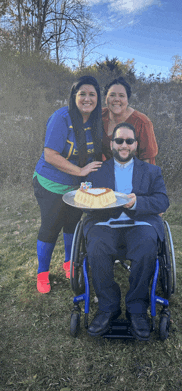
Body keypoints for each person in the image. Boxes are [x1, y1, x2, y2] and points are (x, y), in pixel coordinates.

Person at [83, 122, 169, 341]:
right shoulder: (96, 170)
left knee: (147, 244)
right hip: (105, 224)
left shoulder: (151, 171)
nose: (124, 145)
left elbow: (162, 201)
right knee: (96, 245)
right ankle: (108, 308)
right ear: (111, 144)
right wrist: (89, 196)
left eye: (129, 141)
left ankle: (136, 309)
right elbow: (84, 198)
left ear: (135, 144)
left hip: (139, 224)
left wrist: (137, 202)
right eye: (119, 140)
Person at [33, 76, 103, 294]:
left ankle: (68, 263)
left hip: (77, 186)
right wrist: (80, 171)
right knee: (51, 225)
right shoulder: (61, 117)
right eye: (82, 93)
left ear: (98, 98)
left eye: (92, 94)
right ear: (74, 96)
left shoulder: (96, 120)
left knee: (73, 224)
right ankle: (42, 273)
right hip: (50, 182)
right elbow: (50, 154)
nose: (87, 98)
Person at [102, 76, 158, 164]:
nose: (116, 99)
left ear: (127, 100)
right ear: (106, 98)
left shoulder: (142, 122)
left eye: (121, 96)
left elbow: (148, 161)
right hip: (108, 172)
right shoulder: (100, 115)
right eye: (112, 95)